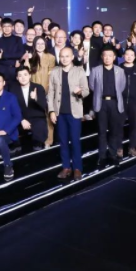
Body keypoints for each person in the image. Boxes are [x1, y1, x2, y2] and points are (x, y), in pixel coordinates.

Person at [48, 48, 89, 180]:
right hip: (59, 113)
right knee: (63, 142)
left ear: (72, 57)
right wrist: (51, 111)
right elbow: (51, 93)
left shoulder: (79, 71)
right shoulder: (54, 71)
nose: (64, 59)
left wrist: (79, 92)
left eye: (67, 56)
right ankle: (66, 167)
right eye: (62, 56)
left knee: (75, 141)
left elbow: (86, 90)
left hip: (74, 112)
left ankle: (77, 168)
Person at [89, 48, 126, 168]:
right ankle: (102, 156)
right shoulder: (95, 70)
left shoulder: (120, 71)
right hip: (101, 103)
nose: (107, 58)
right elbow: (92, 86)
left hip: (115, 103)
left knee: (114, 131)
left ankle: (113, 155)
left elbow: (122, 86)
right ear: (102, 57)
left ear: (114, 57)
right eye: (105, 55)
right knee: (101, 131)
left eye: (110, 56)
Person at [22, 36, 57, 148]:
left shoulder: (51, 57)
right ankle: (38, 141)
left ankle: (48, 141)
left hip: (47, 91)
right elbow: (26, 73)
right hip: (33, 91)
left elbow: (52, 75)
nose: (40, 46)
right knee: (36, 116)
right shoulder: (31, 57)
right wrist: (26, 60)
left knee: (48, 116)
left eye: (42, 43)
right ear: (34, 45)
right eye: (38, 44)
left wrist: (48, 91)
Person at [12, 66, 48, 150]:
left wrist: (36, 98)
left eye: (25, 74)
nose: (23, 78)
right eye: (20, 75)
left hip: (36, 118)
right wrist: (21, 119)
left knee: (40, 125)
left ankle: (38, 144)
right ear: (17, 78)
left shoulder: (38, 87)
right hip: (21, 118)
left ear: (30, 76)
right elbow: (12, 108)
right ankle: (15, 145)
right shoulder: (13, 90)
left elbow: (44, 105)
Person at [0, 18, 24, 87]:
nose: (7, 28)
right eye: (4, 26)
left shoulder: (18, 39)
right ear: (1, 27)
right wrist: (13, 62)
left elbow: (20, 54)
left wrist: (4, 55)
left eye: (9, 26)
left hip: (15, 71)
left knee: (15, 91)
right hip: (2, 72)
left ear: (12, 27)